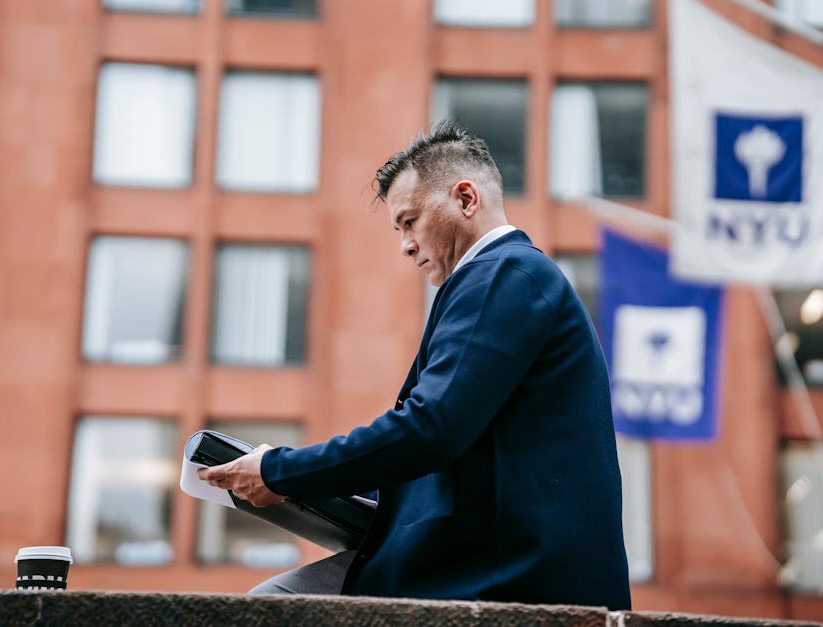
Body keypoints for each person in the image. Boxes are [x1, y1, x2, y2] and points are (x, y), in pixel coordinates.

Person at [199, 120, 631, 609]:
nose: (405, 245)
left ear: (467, 199)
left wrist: (280, 472)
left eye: (410, 222)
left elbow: (429, 429)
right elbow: (449, 441)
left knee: (266, 607)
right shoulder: (513, 278)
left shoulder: (503, 274)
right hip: (493, 564)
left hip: (500, 573)